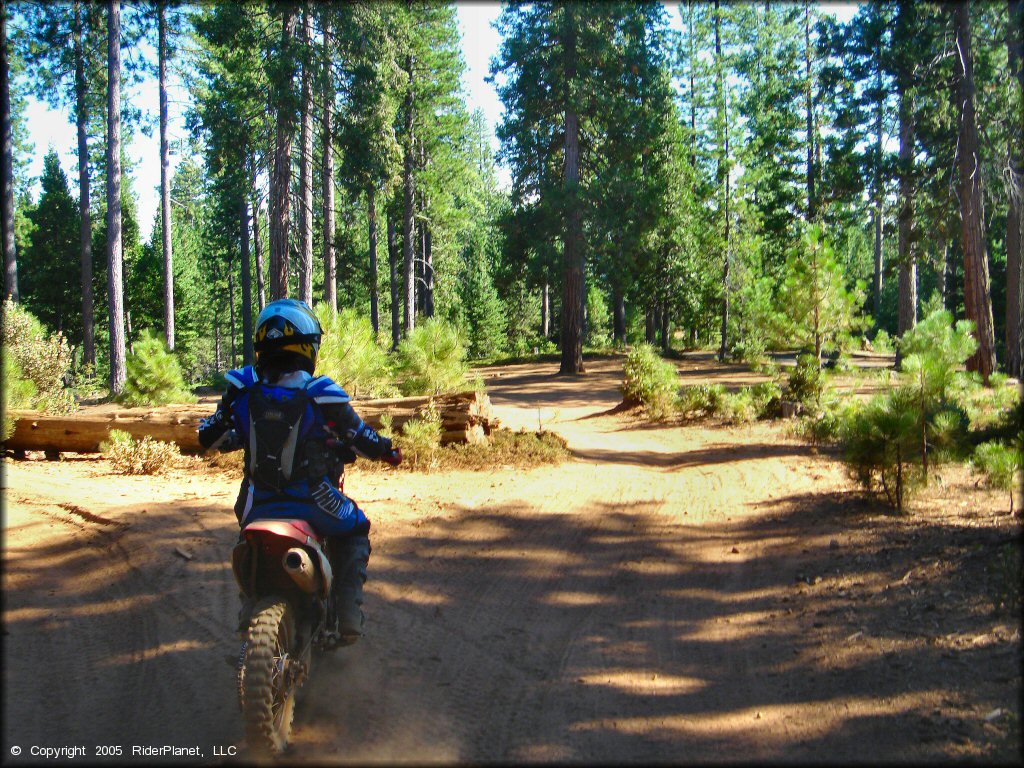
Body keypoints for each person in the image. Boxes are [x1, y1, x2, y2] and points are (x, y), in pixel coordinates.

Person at [198, 298, 401, 644]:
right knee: (356, 527)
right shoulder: (320, 393)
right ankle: (348, 612)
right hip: (313, 500)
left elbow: (209, 436)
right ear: (308, 346)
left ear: (262, 347)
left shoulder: (242, 388)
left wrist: (239, 432)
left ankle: (252, 601)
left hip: (256, 503)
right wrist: (386, 450)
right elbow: (359, 437)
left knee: (245, 534)